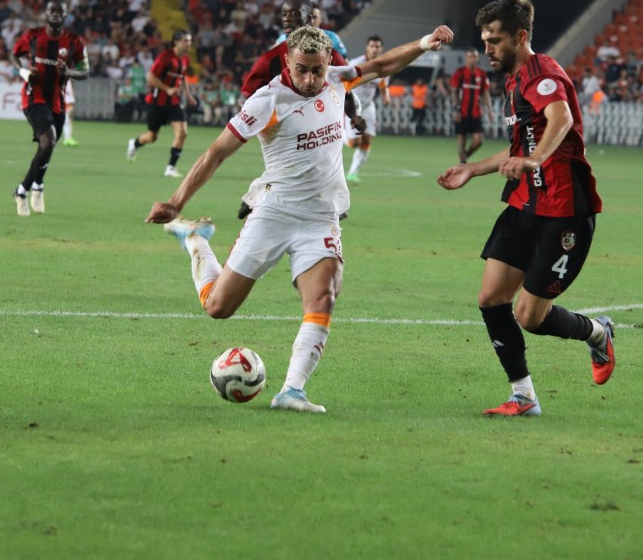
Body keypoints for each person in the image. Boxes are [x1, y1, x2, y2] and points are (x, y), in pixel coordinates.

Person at [146, 23, 454, 413]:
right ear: (287, 62)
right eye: (301, 69)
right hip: (273, 214)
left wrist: (425, 43)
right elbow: (216, 154)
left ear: (329, 64)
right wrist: (176, 201)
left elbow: (382, 65)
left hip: (320, 218)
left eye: (318, 70)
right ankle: (196, 240)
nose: (310, 79)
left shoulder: (338, 81)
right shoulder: (266, 101)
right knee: (218, 307)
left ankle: (292, 391)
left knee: (324, 296)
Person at [436, 0, 612, 418]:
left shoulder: (542, 74)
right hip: (524, 205)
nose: (487, 50)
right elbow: (519, 148)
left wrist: (535, 160)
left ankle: (598, 333)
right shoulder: (514, 80)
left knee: (530, 316)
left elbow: (562, 119)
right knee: (491, 298)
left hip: (565, 212)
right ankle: (524, 397)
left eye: (495, 41)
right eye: (484, 41)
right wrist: (472, 169)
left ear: (521, 36)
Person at [236, 0, 359, 219]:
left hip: (323, 113)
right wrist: (251, 119)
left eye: (294, 14)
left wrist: (354, 115)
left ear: (311, 19)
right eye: (284, 14)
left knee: (324, 160)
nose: (287, 18)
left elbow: (346, 84)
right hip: (288, 120)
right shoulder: (274, 54)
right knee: (290, 168)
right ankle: (260, 194)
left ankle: (330, 206)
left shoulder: (328, 48)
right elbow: (249, 91)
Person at [9, 0, 89, 217]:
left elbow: (85, 71)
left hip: (57, 101)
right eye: (51, 10)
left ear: (65, 15)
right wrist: (23, 72)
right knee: (49, 140)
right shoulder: (32, 36)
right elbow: (13, 55)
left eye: (59, 11)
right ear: (45, 14)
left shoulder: (74, 41)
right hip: (34, 97)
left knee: (47, 147)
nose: (55, 14)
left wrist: (69, 73)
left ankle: (23, 190)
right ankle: (34, 189)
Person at [126, 30, 197, 177]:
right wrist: (167, 89)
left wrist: (189, 96)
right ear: (176, 42)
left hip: (174, 103)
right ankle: (135, 143)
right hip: (158, 102)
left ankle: (170, 167)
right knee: (152, 137)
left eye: (189, 41)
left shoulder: (184, 59)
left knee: (182, 132)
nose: (188, 44)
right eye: (185, 40)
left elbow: (183, 78)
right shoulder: (165, 57)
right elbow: (150, 77)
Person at [344, 36, 390, 183]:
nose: (374, 49)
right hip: (352, 107)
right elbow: (344, 82)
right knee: (354, 143)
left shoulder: (384, 67)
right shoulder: (357, 64)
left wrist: (386, 97)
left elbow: (383, 85)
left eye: (377, 46)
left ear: (381, 49)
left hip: (369, 107)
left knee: (367, 139)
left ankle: (353, 173)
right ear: (367, 47)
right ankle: (340, 132)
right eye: (372, 46)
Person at [451, 48, 493, 163]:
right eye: (470, 57)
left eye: (474, 56)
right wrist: (456, 109)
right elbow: (454, 92)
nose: (472, 59)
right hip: (462, 112)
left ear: (477, 58)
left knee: (479, 141)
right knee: (461, 141)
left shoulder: (482, 74)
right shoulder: (460, 73)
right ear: (466, 59)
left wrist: (490, 110)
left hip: (476, 112)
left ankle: (465, 156)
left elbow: (485, 93)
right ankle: (462, 164)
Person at [60, 80, 78, 146]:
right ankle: (67, 138)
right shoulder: (66, 80)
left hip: (67, 101)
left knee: (67, 121)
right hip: (66, 101)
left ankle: (68, 138)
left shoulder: (67, 81)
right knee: (67, 121)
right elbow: (68, 92)